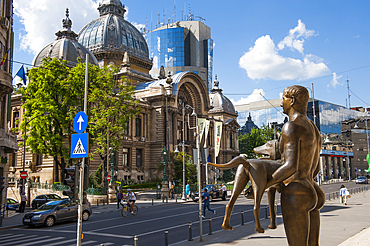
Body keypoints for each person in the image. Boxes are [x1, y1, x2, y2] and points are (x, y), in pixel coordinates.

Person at [266, 85, 325, 246]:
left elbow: (290, 166)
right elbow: (317, 168)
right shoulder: (313, 129)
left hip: (295, 193)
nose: (280, 103)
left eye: (283, 98)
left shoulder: (290, 126)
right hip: (313, 189)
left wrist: (265, 183)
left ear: (292, 101)